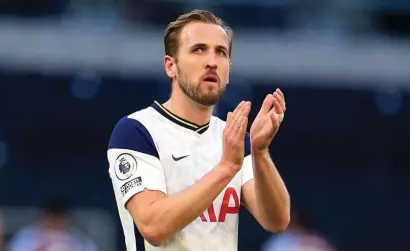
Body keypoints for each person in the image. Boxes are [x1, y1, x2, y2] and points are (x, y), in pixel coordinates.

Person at [107, 9, 290, 251]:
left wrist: (260, 150)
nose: (212, 62)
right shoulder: (137, 131)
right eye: (198, 50)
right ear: (171, 66)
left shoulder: (234, 138)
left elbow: (276, 220)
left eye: (221, 52)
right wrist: (226, 168)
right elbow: (153, 228)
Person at [7, 199, 97, 251]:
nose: (56, 224)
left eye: (60, 220)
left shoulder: (79, 241)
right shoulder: (26, 238)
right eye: (52, 219)